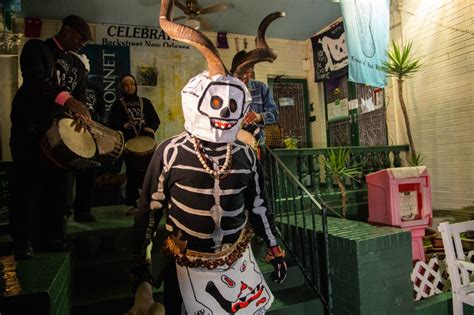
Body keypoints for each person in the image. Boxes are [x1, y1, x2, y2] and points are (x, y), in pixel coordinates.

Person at [126, 3, 287, 314]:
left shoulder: (244, 154)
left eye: (232, 104)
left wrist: (274, 247)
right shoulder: (171, 151)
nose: (226, 112)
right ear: (198, 98)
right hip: (183, 263)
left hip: (237, 264)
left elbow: (259, 205)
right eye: (217, 101)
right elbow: (149, 210)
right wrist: (139, 268)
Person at [9, 15, 92, 260]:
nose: (81, 44)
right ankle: (22, 242)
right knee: (26, 187)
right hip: (30, 130)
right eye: (80, 37)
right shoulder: (37, 48)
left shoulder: (77, 66)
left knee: (57, 190)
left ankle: (52, 238)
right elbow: (36, 82)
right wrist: (69, 101)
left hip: (58, 139)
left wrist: (83, 112)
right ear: (66, 30)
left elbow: (82, 97)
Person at [109, 74, 160, 215]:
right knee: (131, 174)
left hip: (147, 143)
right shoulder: (118, 105)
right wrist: (124, 125)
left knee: (149, 174)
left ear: (136, 85)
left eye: (132, 83)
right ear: (121, 87)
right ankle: (131, 203)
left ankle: (149, 202)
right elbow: (111, 124)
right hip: (129, 144)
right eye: (126, 84)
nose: (130, 86)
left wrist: (152, 128)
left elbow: (156, 120)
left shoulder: (145, 102)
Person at [70, 53, 106, 222]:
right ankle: (63, 213)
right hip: (70, 135)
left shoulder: (95, 90)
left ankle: (82, 211)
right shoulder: (67, 87)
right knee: (67, 177)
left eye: (84, 70)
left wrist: (95, 122)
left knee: (88, 175)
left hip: (90, 138)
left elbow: (101, 112)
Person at [231, 52, 279, 159]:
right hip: (233, 142)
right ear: (233, 71)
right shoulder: (228, 89)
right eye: (241, 72)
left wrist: (259, 116)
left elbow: (275, 115)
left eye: (248, 71)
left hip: (258, 143)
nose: (244, 76)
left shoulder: (261, 88)